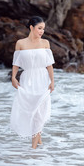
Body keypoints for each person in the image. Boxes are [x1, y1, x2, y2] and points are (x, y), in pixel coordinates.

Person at [10, 16, 55, 149]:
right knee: (30, 110)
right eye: (39, 28)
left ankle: (33, 149)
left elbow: (49, 65)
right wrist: (13, 77)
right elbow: (16, 63)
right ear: (31, 27)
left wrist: (52, 81)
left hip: (42, 78)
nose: (42, 31)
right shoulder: (20, 43)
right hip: (27, 79)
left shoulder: (45, 43)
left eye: (43, 29)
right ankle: (39, 140)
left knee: (39, 112)